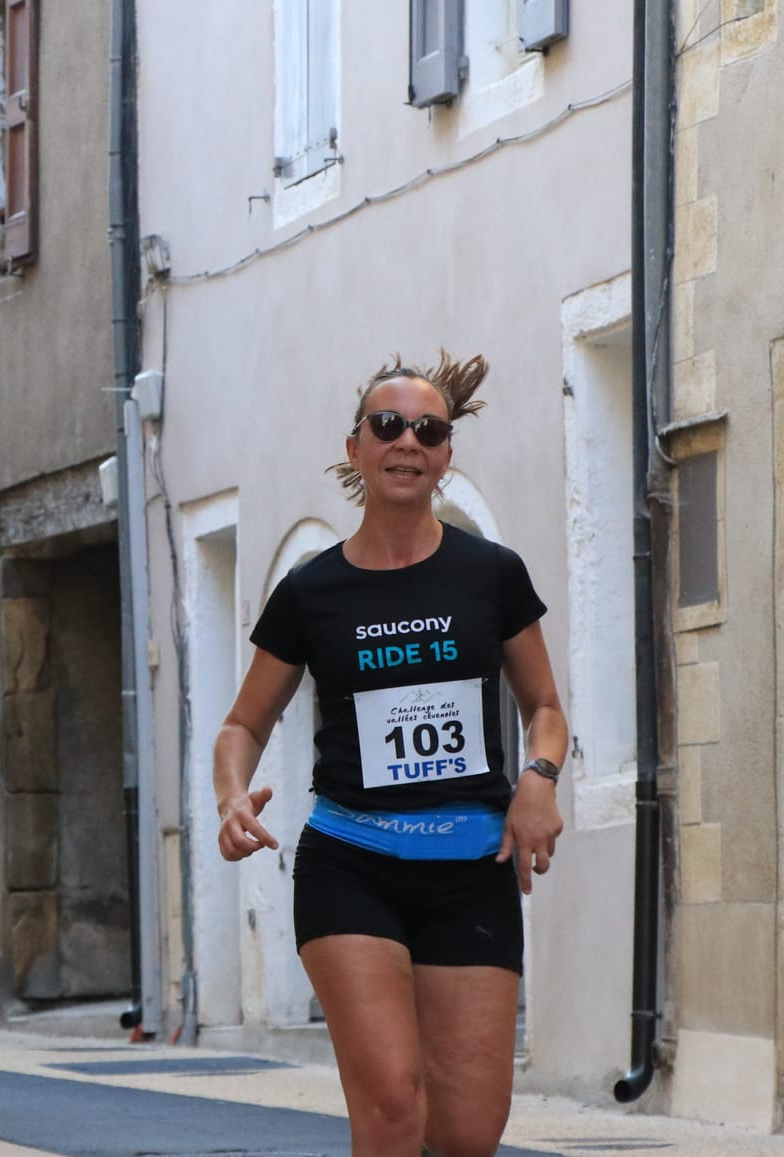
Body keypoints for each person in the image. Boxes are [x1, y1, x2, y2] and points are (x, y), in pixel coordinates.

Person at [215, 352, 569, 1157]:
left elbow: (543, 707)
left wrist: (539, 779)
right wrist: (232, 794)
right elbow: (243, 724)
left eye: (428, 429)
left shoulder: (491, 574)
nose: (406, 440)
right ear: (356, 447)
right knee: (390, 1105)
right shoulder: (312, 590)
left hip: (470, 869)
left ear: (445, 454)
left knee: (468, 1131)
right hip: (352, 862)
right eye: (388, 425)